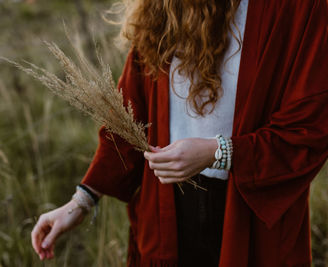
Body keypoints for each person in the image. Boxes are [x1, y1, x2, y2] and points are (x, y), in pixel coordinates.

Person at [31, 0, 328, 266]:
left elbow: (309, 129)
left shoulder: (299, 8)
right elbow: (126, 119)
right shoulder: (161, 9)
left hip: (250, 221)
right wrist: (81, 201)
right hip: (167, 217)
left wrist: (218, 152)